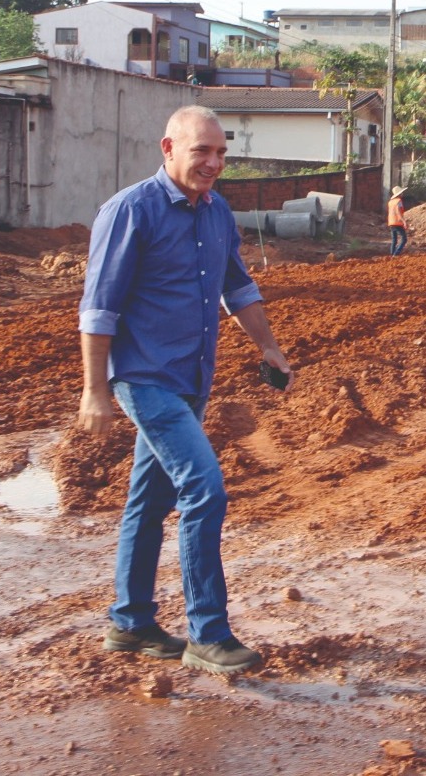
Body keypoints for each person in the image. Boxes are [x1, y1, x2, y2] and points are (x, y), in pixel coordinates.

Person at [78, 105, 294, 676]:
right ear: (168, 149)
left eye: (221, 153)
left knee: (149, 500)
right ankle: (208, 633)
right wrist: (94, 391)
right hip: (144, 379)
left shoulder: (216, 211)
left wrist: (267, 347)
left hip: (192, 377)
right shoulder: (131, 211)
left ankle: (130, 623)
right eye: (202, 151)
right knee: (205, 489)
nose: (213, 163)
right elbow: (98, 309)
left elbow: (237, 285)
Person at [387, 185, 409, 256]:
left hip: (391, 222)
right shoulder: (399, 201)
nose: (402, 194)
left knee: (394, 239)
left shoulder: (390, 202)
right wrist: (404, 222)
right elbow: (398, 212)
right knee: (404, 239)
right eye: (401, 192)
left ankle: (392, 254)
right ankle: (396, 254)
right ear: (399, 194)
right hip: (397, 222)